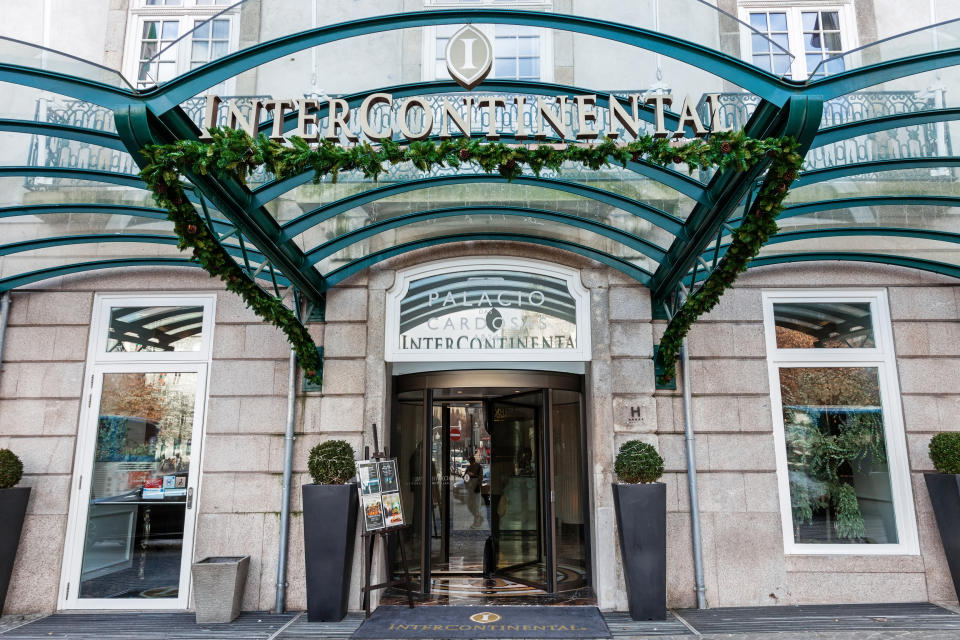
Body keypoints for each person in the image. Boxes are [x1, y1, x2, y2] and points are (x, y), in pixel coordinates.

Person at [464, 455, 484, 528]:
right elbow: (465, 478)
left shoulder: (479, 467)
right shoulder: (468, 468)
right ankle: (479, 518)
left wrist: (474, 476)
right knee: (470, 505)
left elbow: (481, 477)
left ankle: (476, 521)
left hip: (476, 488)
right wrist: (467, 482)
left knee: (476, 505)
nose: (470, 463)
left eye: (471, 462)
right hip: (471, 488)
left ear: (473, 461)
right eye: (470, 462)